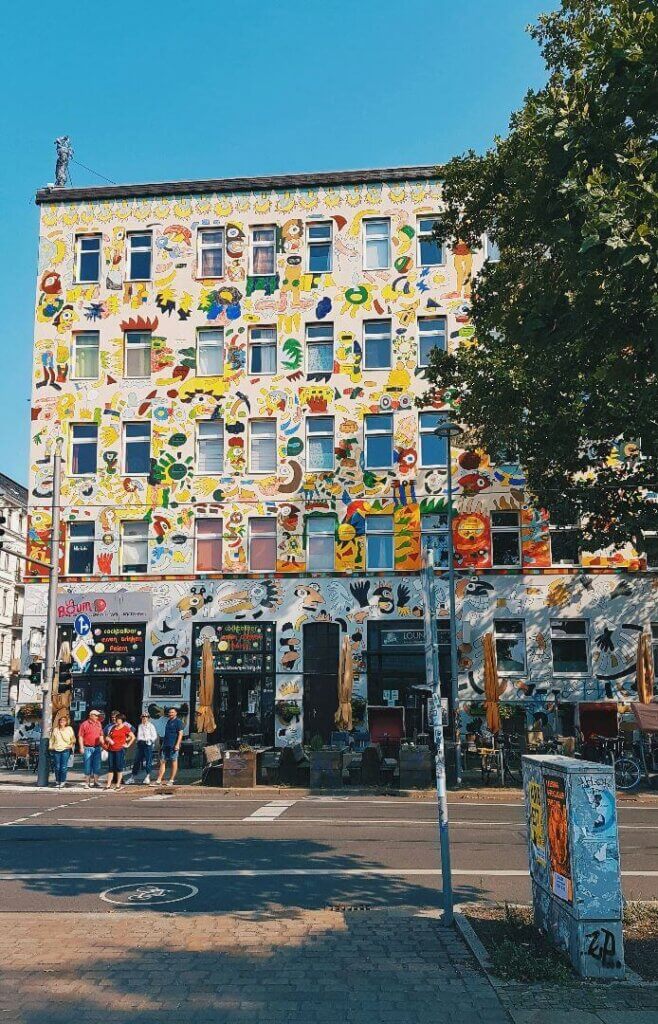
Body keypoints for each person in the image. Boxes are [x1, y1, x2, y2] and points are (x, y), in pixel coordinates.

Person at [103, 712, 135, 791]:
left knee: (118, 767)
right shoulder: (113, 727)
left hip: (119, 750)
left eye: (118, 719)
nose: (116, 720)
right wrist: (109, 740)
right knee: (110, 767)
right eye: (116, 719)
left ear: (122, 720)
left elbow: (133, 737)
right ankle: (108, 785)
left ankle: (118, 784)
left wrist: (127, 744)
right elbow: (107, 737)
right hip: (111, 749)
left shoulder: (125, 728)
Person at [156, 707, 184, 787]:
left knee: (174, 761)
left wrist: (177, 744)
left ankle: (171, 780)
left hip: (173, 745)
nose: (170, 714)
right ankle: (159, 779)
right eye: (169, 712)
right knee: (162, 761)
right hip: (166, 744)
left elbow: (180, 734)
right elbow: (166, 734)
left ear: (176, 713)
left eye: (172, 712)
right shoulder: (168, 721)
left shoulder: (178, 722)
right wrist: (162, 744)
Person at [78, 709, 104, 788]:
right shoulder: (84, 724)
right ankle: (87, 782)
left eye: (98, 716)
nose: (97, 717)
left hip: (97, 747)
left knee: (97, 765)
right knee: (87, 765)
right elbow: (80, 736)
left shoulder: (99, 724)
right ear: (91, 715)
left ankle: (96, 781)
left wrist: (102, 742)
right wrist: (81, 747)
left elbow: (101, 734)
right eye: (96, 715)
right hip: (87, 747)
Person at [49, 714, 76, 789]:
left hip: (65, 749)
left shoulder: (69, 729)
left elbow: (73, 738)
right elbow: (52, 739)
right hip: (56, 749)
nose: (62, 722)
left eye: (63, 721)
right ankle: (57, 781)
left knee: (63, 767)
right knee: (57, 767)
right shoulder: (55, 729)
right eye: (61, 720)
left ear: (66, 722)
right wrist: (51, 746)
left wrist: (71, 745)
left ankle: (63, 781)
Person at [135, 712, 158, 784]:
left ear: (148, 718)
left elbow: (154, 735)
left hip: (148, 744)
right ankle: (133, 776)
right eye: (143, 717)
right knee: (137, 760)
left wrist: (150, 740)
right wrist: (138, 741)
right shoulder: (140, 726)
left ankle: (147, 776)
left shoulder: (151, 726)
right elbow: (139, 735)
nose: (144, 718)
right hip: (140, 743)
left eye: (146, 717)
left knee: (148, 761)